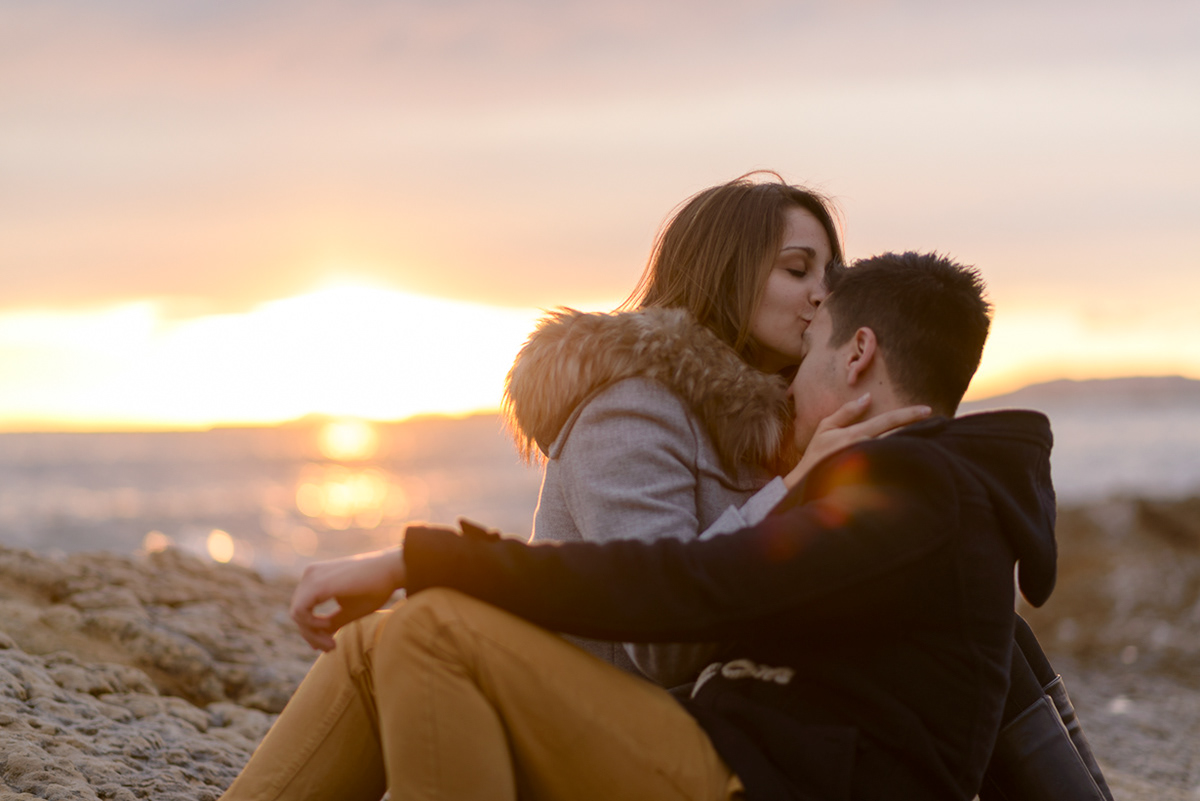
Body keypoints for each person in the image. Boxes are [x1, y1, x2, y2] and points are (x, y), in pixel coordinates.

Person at [220, 252, 1059, 801]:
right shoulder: (930, 490)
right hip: (733, 762)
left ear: (858, 354)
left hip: (758, 785)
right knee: (398, 637)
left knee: (433, 630)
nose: (794, 381)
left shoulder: (916, 489)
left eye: (811, 357)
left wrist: (415, 554)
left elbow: (690, 586)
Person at [505, 173, 926, 684]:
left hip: (753, 727)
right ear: (727, 273)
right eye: (797, 269)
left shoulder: (790, 425)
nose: (824, 295)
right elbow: (665, 637)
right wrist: (797, 489)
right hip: (619, 734)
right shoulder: (629, 408)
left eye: (831, 277)